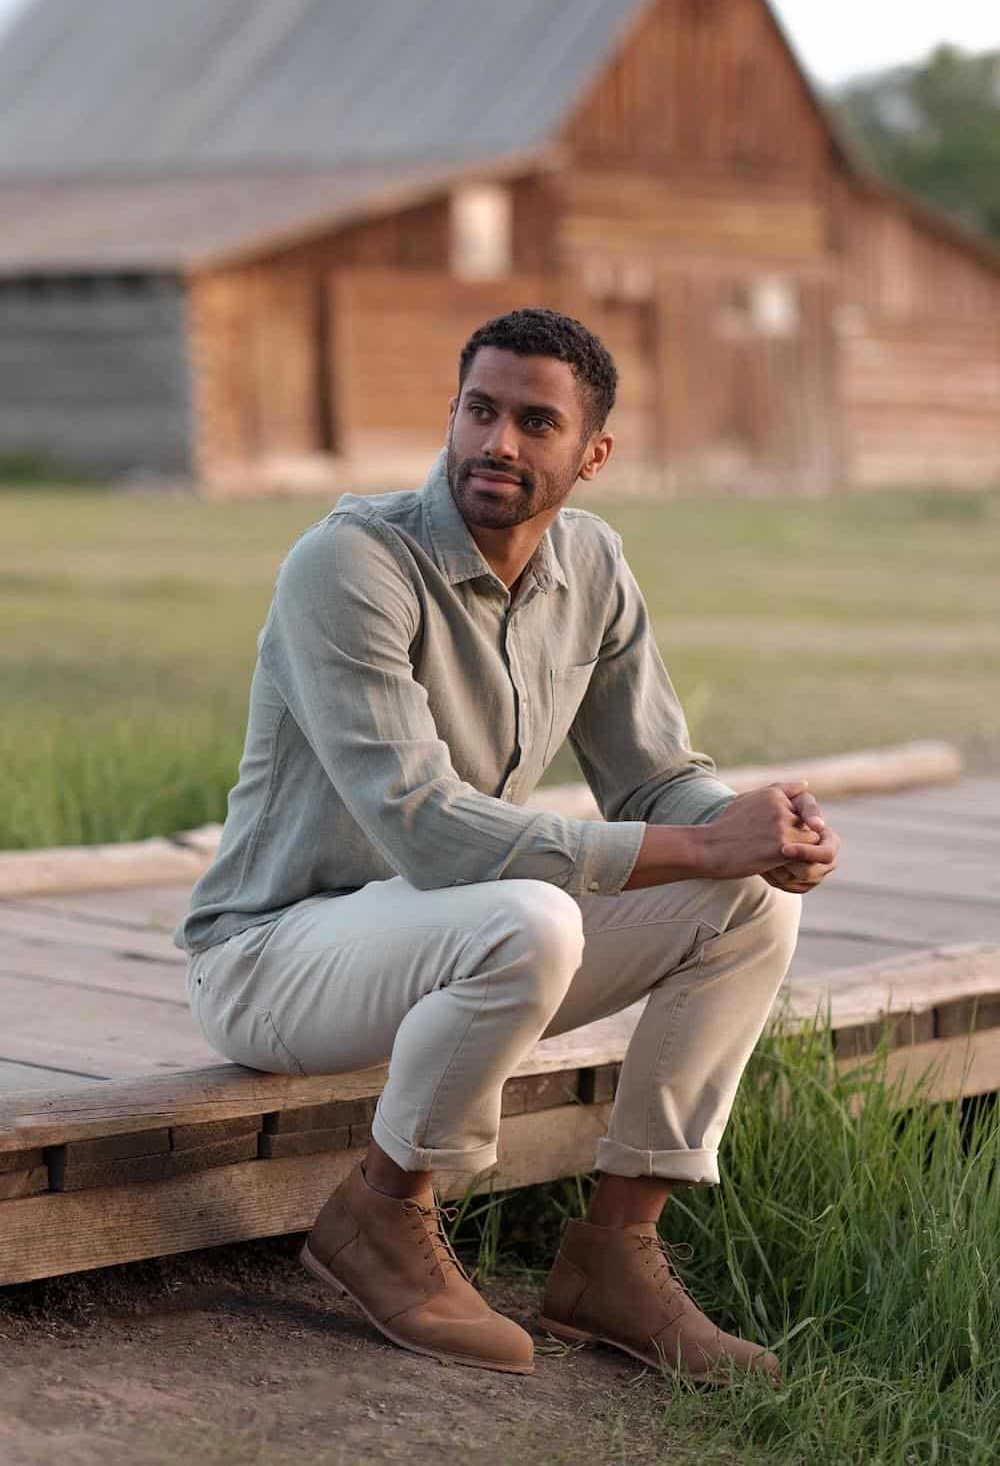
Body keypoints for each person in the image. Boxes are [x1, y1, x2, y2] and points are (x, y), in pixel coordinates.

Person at [177, 307, 839, 1383]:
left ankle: (614, 1256)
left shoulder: (592, 563)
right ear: (451, 414)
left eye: (537, 422)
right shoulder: (349, 563)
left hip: (451, 945)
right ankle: (381, 1216)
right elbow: (425, 826)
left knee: (757, 899)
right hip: (272, 959)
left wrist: (750, 827)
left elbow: (654, 770)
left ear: (592, 455)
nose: (500, 443)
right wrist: (699, 844)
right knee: (524, 915)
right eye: (480, 411)